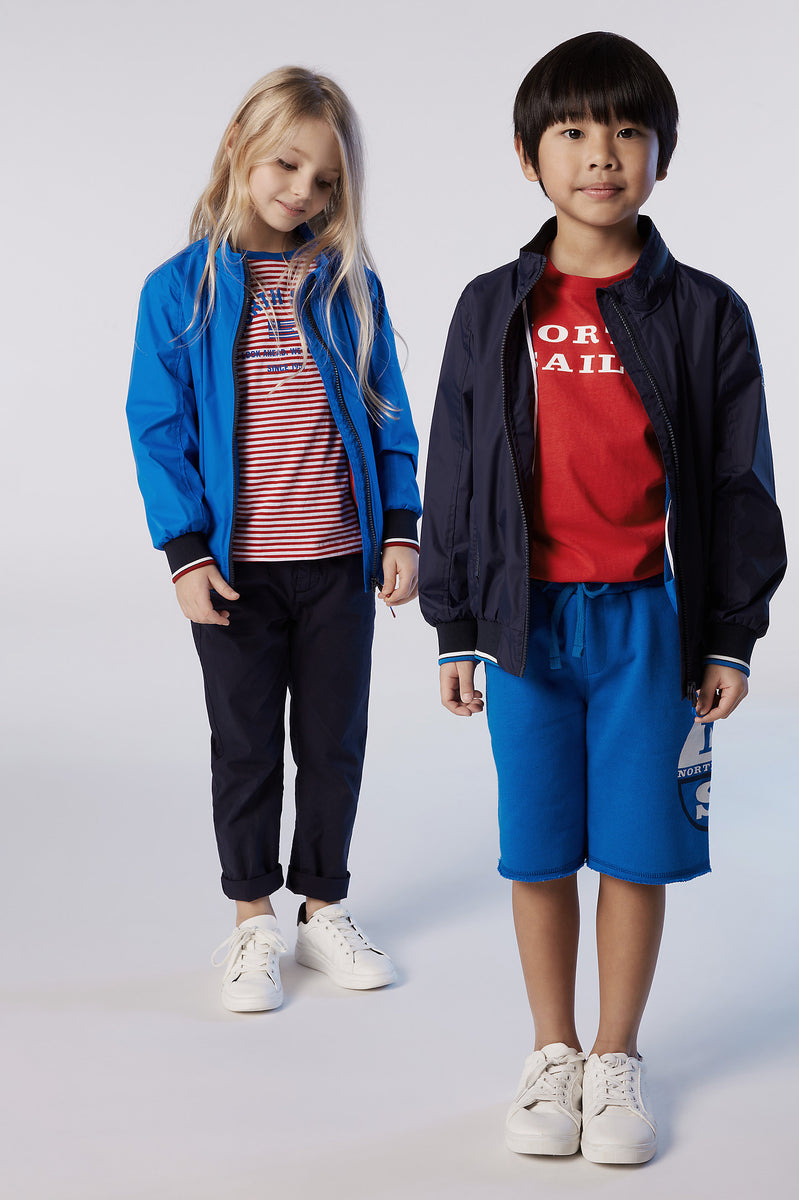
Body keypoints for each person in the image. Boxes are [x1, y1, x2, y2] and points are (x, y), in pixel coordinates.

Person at [419, 32, 786, 1163]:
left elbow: (739, 478)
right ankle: (553, 1049)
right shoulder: (493, 307)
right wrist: (457, 624)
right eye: (574, 131)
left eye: (629, 131)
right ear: (527, 154)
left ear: (664, 155)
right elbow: (455, 465)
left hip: (647, 627)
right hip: (524, 626)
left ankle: (617, 1055)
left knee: (635, 846)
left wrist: (729, 633)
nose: (602, 155)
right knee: (536, 848)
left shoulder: (705, 312)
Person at [126, 67, 420, 1013]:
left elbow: (389, 412)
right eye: (288, 165)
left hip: (338, 564)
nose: (303, 191)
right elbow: (157, 428)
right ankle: (253, 920)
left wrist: (401, 529)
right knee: (246, 746)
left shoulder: (348, 287)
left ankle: (321, 907)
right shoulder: (180, 291)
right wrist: (185, 551)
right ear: (239, 149)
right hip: (235, 576)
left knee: (334, 743)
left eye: (326, 180)